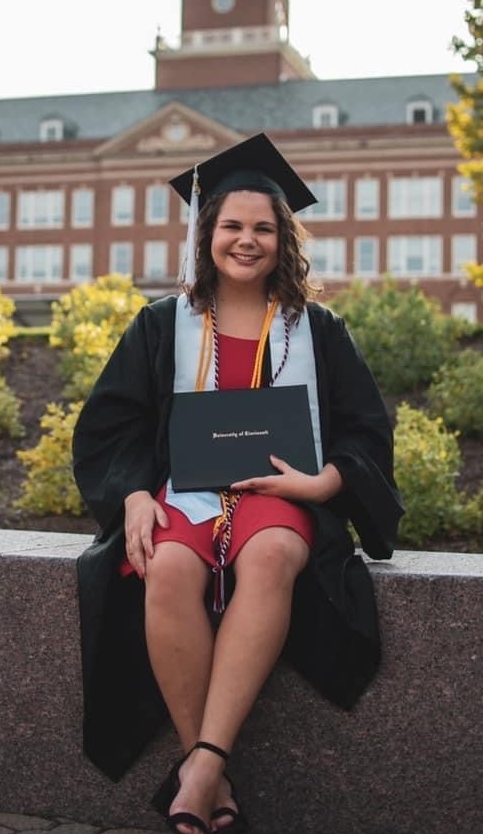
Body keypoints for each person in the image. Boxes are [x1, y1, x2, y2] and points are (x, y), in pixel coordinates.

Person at [72, 133, 404, 834]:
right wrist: (134, 493)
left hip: (280, 496)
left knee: (274, 554)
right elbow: (114, 425)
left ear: (283, 241)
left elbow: (365, 430)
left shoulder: (317, 330)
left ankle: (198, 770)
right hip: (188, 491)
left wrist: (325, 485)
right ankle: (210, 772)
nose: (246, 241)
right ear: (207, 234)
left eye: (263, 229)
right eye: (231, 226)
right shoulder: (163, 323)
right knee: (164, 566)